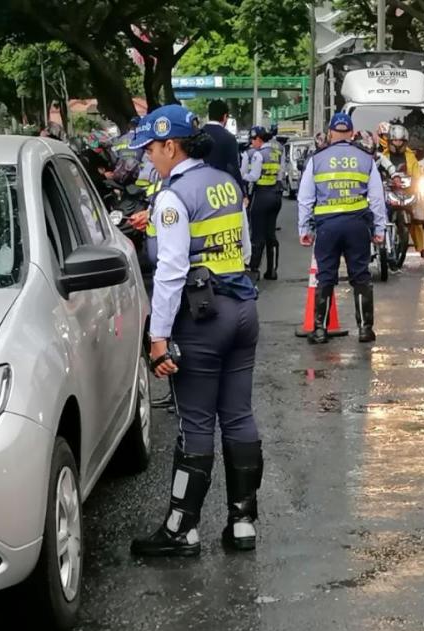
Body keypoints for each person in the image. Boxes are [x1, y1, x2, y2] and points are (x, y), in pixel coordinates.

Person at [128, 105, 263, 559]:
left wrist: (158, 336)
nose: (148, 157)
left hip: (202, 319)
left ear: (171, 144)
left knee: (196, 423)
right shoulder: (226, 183)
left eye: (150, 148)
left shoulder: (173, 197)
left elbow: (169, 271)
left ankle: (181, 530)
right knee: (239, 416)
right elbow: (243, 245)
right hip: (242, 309)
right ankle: (243, 522)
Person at [297, 112, 387, 344]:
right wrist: (379, 229)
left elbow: (305, 198)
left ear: (330, 133)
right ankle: (365, 330)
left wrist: (304, 229)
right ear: (352, 132)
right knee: (361, 277)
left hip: (327, 227)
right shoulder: (365, 158)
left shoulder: (317, 159)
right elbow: (377, 199)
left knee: (325, 276)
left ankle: (319, 330)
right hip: (357, 225)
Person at [381, 123, 424, 261]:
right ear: (390, 141)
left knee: (417, 218)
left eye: (400, 141)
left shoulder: (411, 156)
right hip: (388, 190)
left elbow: (417, 173)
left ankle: (421, 249)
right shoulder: (383, 155)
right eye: (395, 140)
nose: (397, 144)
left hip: (408, 191)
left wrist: (415, 183)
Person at [241, 124, 282, 280]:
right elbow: (279, 175)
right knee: (270, 234)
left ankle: (253, 270)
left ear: (258, 139)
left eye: (252, 139)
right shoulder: (276, 152)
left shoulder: (258, 155)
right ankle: (272, 270)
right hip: (275, 195)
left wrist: (241, 176)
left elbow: (254, 176)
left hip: (261, 195)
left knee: (257, 235)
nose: (252, 143)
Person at [204, 99, 244, 188]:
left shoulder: (198, 135)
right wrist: (242, 192)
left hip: (200, 186)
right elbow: (234, 167)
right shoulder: (229, 138)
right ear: (225, 116)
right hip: (221, 188)